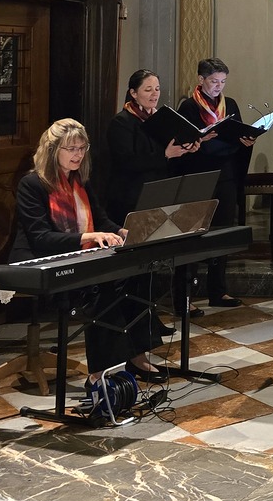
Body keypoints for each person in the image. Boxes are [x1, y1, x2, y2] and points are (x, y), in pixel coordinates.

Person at [12, 119, 167, 381]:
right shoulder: (32, 184)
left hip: (80, 254)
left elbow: (101, 220)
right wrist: (90, 236)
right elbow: (40, 238)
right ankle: (101, 373)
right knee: (102, 288)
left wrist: (121, 232)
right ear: (53, 150)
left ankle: (137, 355)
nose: (78, 155)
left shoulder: (79, 181)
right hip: (39, 260)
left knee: (138, 275)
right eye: (71, 148)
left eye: (82, 148)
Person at [175, 58, 254, 308]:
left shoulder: (229, 105)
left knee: (222, 233)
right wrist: (201, 140)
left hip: (225, 174)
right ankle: (184, 296)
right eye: (213, 81)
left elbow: (237, 134)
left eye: (223, 81)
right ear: (201, 80)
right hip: (198, 176)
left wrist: (246, 140)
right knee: (192, 235)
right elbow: (182, 143)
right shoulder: (188, 107)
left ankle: (218, 291)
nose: (218, 86)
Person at [104, 69, 199, 225]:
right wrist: (165, 155)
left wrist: (187, 149)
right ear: (133, 93)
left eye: (157, 89)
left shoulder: (163, 118)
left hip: (160, 191)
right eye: (148, 90)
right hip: (130, 195)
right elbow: (126, 162)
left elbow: (172, 156)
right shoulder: (121, 122)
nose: (155, 94)